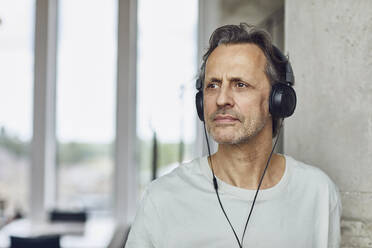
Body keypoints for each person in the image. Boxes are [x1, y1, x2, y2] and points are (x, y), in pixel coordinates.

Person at [125, 23, 342, 248]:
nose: (221, 99)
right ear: (200, 102)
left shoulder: (318, 193)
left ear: (278, 100)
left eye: (240, 84)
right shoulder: (162, 198)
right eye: (213, 85)